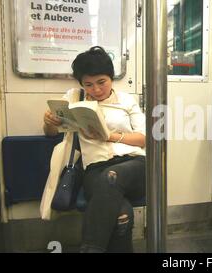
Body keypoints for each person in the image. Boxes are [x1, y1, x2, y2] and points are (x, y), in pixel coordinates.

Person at [43, 46, 146, 253]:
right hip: (95, 169)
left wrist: (110, 136)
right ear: (81, 83)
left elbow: (144, 139)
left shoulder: (126, 100)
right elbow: (51, 133)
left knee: (112, 176)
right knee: (121, 214)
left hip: (133, 165)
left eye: (101, 82)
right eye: (88, 84)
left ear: (111, 78)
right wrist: (49, 122)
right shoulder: (74, 97)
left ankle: (90, 249)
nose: (96, 90)